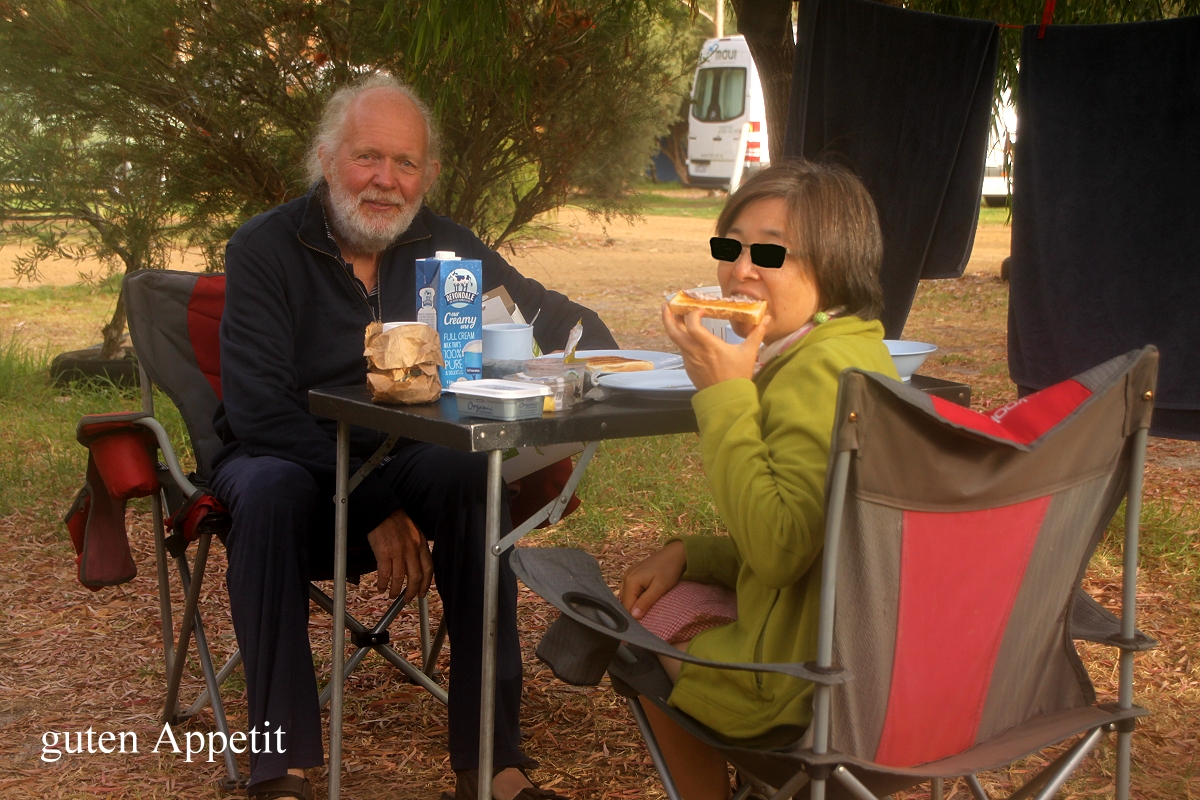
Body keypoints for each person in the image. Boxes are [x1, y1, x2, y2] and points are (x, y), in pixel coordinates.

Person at [209, 74, 617, 800]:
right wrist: (371, 507)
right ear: (327, 159)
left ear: (428, 175)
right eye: (368, 157)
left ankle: (494, 767)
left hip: (404, 459)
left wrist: (602, 353)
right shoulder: (265, 248)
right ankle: (282, 768)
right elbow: (258, 410)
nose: (385, 180)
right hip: (288, 464)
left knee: (470, 478)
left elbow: (552, 318)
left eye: (405, 163)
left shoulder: (446, 247)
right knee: (266, 489)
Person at [618, 161, 899, 800]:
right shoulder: (861, 349)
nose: (740, 270)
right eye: (730, 247)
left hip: (805, 682)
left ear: (835, 266)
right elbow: (819, 535)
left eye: (770, 253)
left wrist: (725, 394)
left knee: (639, 619)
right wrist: (692, 552)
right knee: (676, 583)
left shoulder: (814, 373)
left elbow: (777, 551)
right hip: (888, 661)